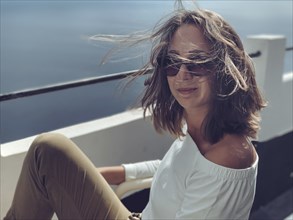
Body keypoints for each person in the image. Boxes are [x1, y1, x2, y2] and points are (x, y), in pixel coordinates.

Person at [4, 7, 266, 220]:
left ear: (224, 68)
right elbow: (174, 168)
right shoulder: (201, 127)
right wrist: (117, 173)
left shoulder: (226, 157)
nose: (183, 74)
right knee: (48, 152)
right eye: (172, 62)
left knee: (49, 149)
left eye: (198, 62)